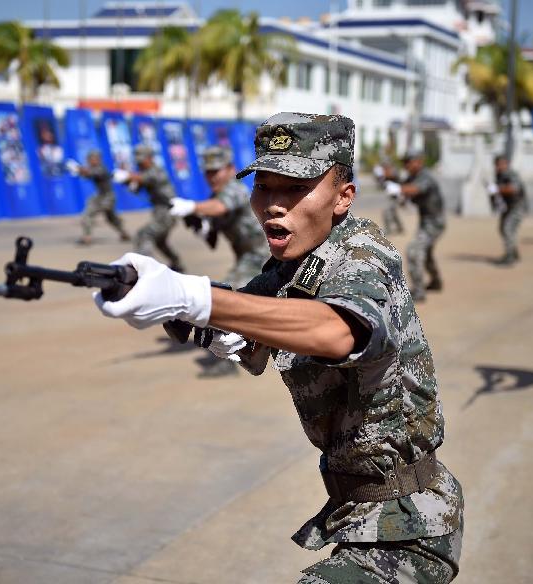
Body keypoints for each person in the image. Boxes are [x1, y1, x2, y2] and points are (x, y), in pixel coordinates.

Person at [94, 113, 463, 583]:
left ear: (343, 196)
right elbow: (249, 321)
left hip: (411, 529)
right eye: (264, 188)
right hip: (358, 516)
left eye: (295, 188)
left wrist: (197, 299)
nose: (273, 205)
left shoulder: (361, 253)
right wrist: (190, 314)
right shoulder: (289, 267)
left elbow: (338, 331)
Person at [168, 145, 271, 377]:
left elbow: (220, 207)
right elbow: (212, 240)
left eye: (217, 171)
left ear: (230, 169)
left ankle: (231, 359)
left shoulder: (234, 189)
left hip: (262, 257)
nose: (212, 176)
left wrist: (192, 206)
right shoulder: (216, 197)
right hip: (249, 258)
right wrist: (200, 226)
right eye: (208, 172)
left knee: (223, 299)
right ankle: (244, 348)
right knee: (233, 301)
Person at [386, 151, 445, 302]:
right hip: (426, 221)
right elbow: (403, 186)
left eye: (409, 161)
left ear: (419, 161)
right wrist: (392, 182)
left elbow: (415, 189)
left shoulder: (426, 176)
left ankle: (419, 291)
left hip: (435, 222)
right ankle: (436, 282)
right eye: (404, 162)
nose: (406, 165)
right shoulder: (413, 176)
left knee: (414, 251)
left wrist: (399, 190)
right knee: (426, 255)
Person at [125, 144, 184, 272]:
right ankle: (176, 263)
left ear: (150, 158)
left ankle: (145, 269)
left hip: (168, 212)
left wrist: (127, 176)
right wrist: (128, 181)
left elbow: (145, 178)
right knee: (160, 241)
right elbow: (136, 187)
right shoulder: (145, 172)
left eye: (142, 160)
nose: (140, 164)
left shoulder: (156, 171)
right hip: (160, 212)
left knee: (145, 234)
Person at [70, 149, 131, 245]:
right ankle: (124, 233)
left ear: (98, 159)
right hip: (101, 196)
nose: (90, 161)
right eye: (89, 159)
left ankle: (87, 237)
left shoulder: (101, 168)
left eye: (93, 159)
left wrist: (77, 168)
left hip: (107, 197)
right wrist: (79, 171)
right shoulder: (94, 168)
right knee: (110, 217)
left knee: (90, 214)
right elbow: (87, 174)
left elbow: (90, 173)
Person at [487, 155, 527, 265]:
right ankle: (513, 253)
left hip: (518, 206)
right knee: (502, 228)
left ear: (506, 164)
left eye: (501, 164)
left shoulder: (511, 174)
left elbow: (513, 189)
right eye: (497, 164)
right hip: (508, 207)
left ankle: (510, 257)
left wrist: (497, 189)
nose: (499, 166)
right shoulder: (500, 175)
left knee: (507, 228)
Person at [376, 158, 405, 236]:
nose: (383, 167)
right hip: (391, 195)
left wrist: (384, 174)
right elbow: (381, 183)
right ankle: (400, 227)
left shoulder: (393, 170)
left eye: (385, 165)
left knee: (386, 212)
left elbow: (392, 176)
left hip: (397, 195)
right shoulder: (385, 172)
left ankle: (388, 229)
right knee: (393, 212)